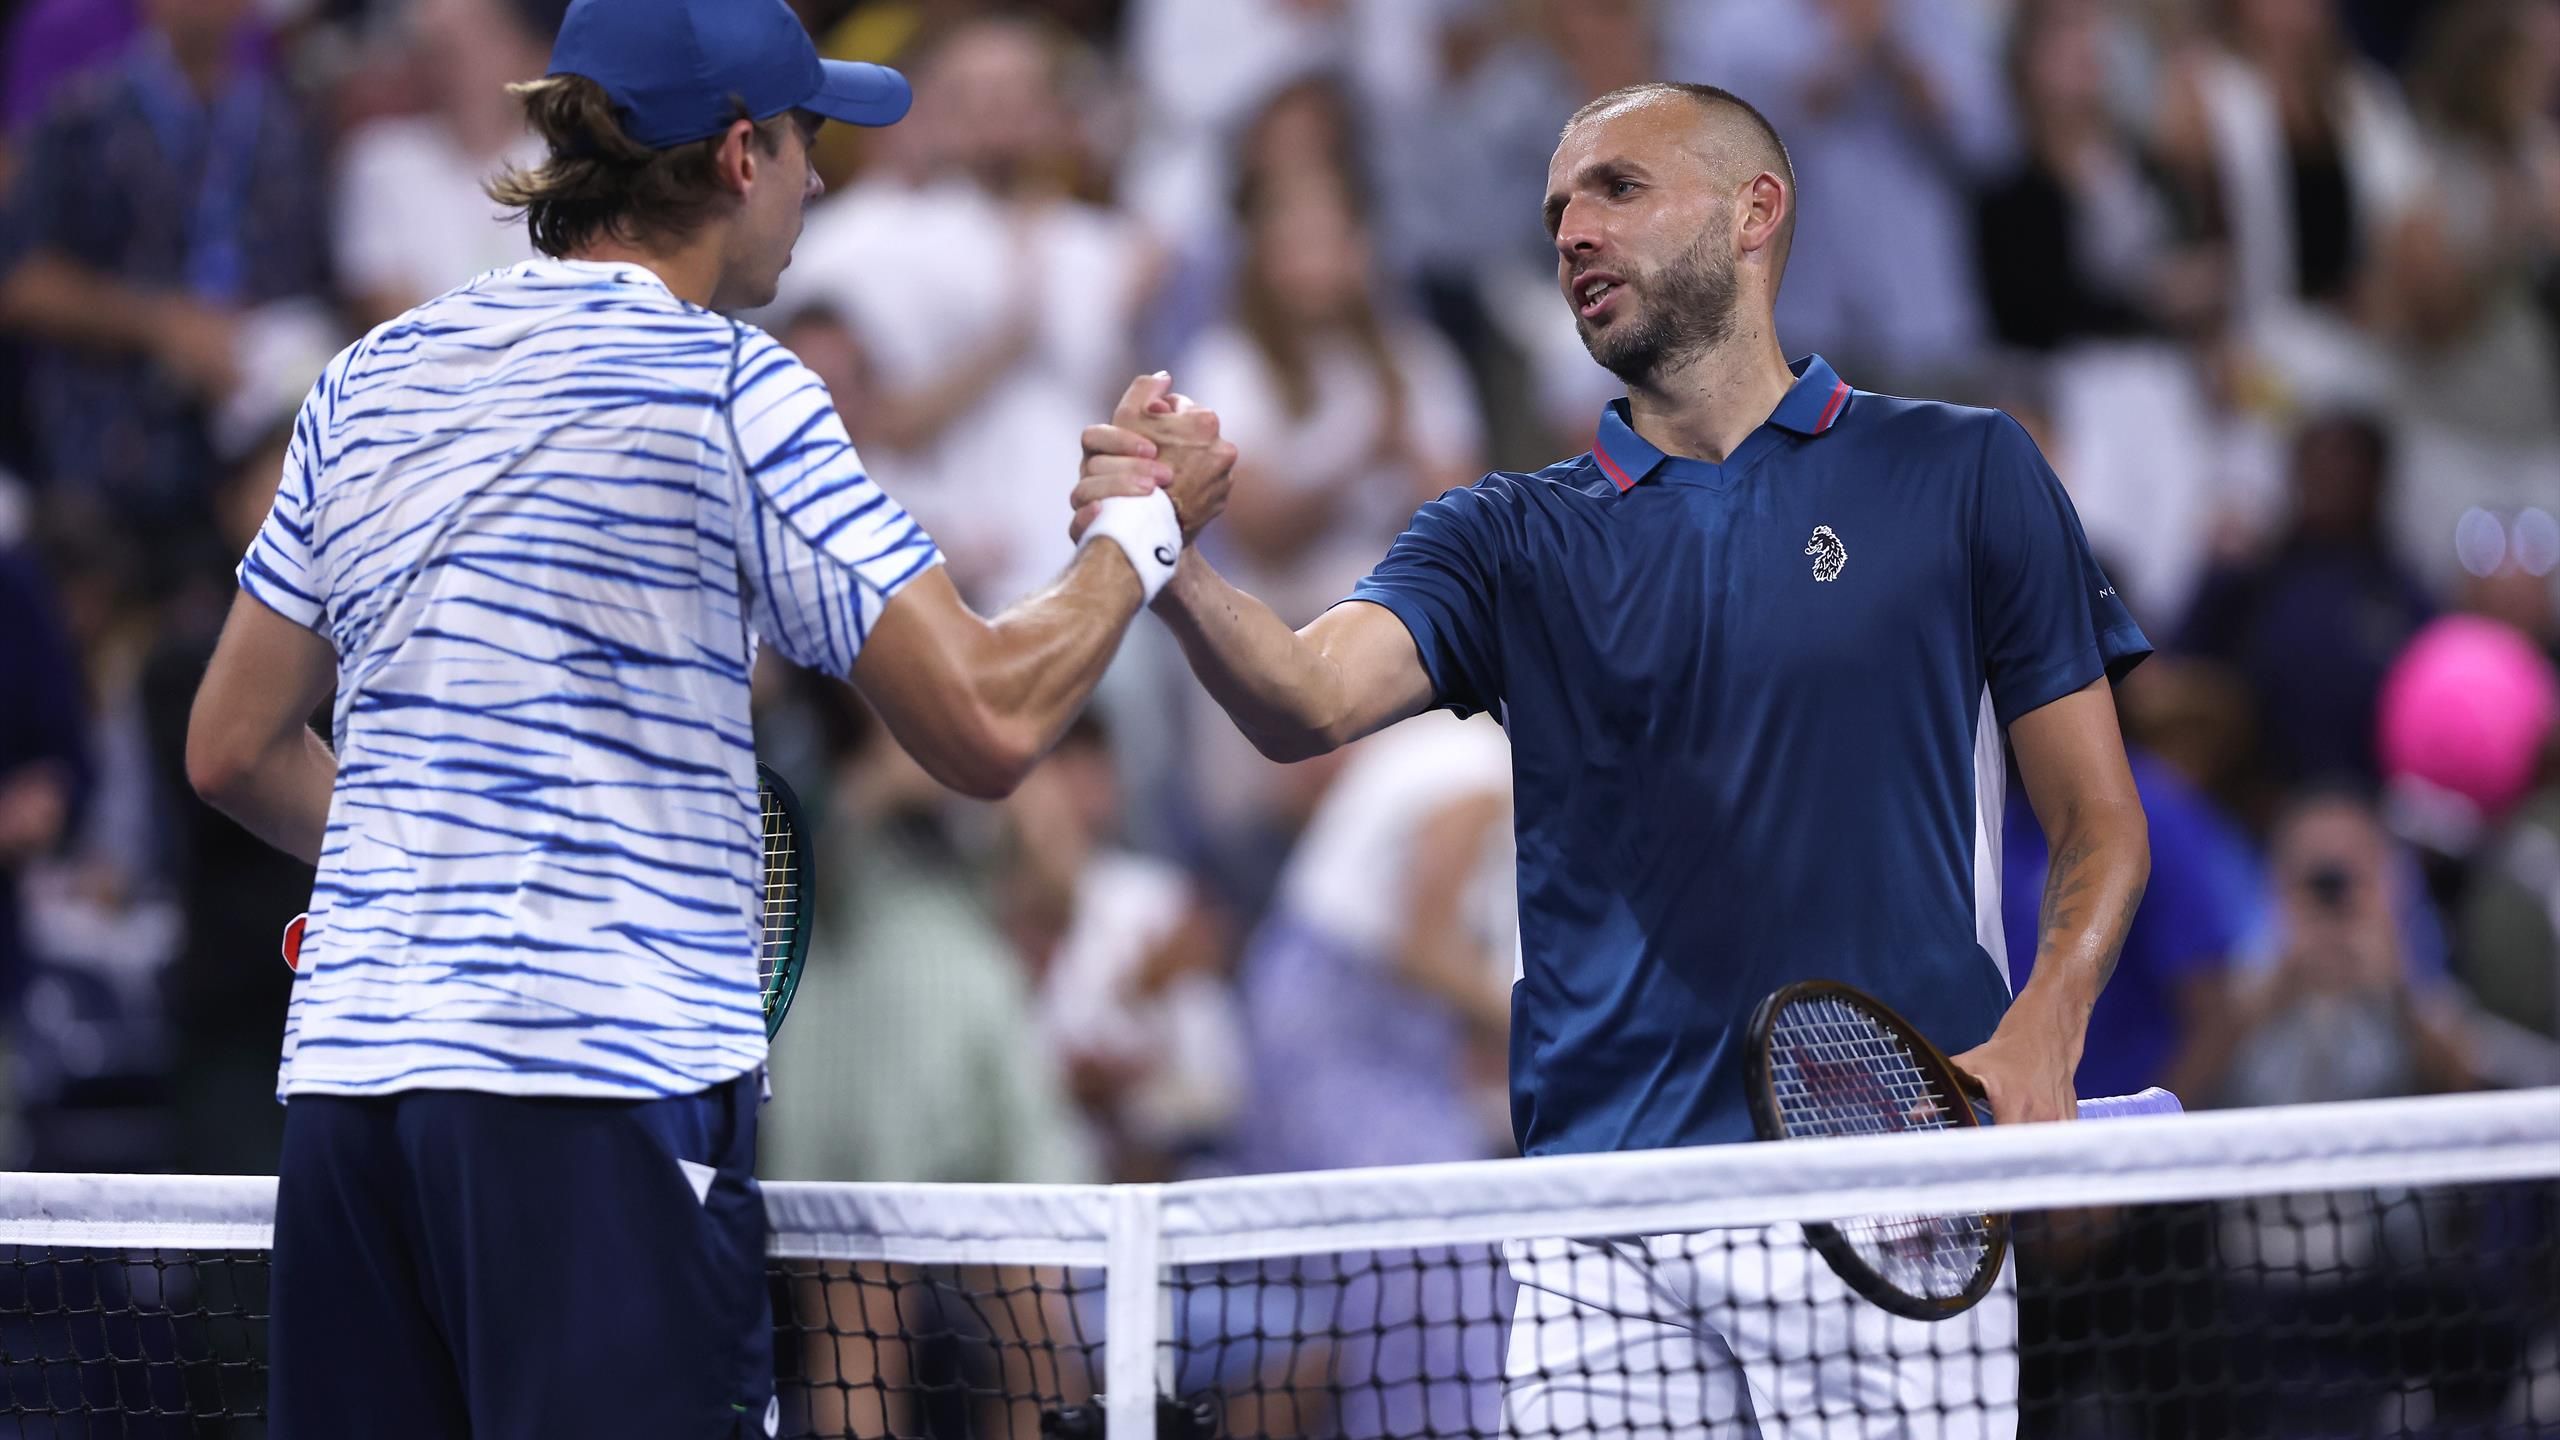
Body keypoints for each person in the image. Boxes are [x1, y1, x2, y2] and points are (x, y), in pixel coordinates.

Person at [179, 0, 1236, 1435]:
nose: (819, 182)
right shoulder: (730, 390)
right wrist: (1141, 537)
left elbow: (231, 747)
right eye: (807, 143)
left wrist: (423, 860)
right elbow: (988, 720)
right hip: (590, 1102)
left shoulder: (369, 378)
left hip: (358, 1105)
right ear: (742, 153)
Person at [1076, 81, 2152, 1438]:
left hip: (1886, 1187)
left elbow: (2098, 820)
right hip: (1602, 1221)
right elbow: (1301, 696)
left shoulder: (1964, 471)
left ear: (1758, 211)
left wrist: (2045, 1027)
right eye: (1556, 211)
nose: (1573, 229)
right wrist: (1160, 553)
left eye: (1618, 189)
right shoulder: (1505, 538)